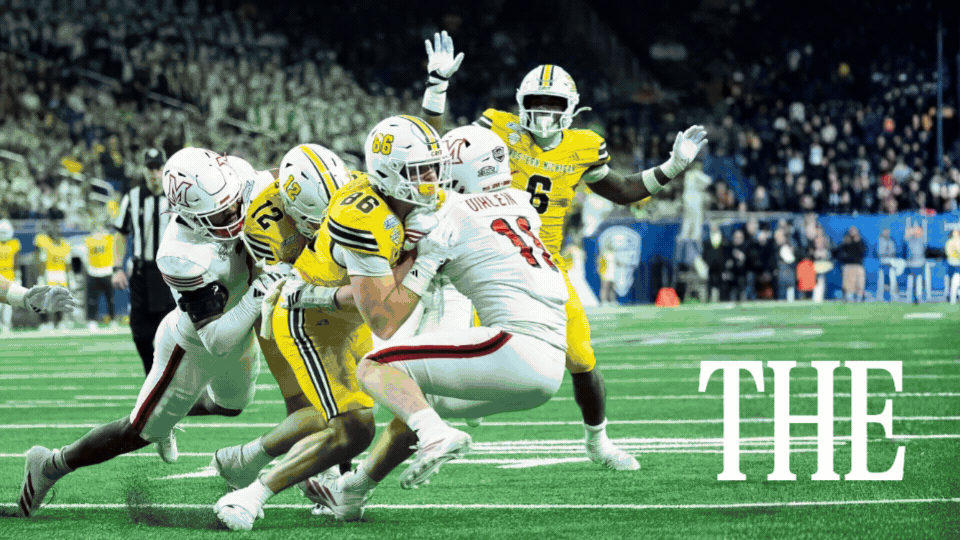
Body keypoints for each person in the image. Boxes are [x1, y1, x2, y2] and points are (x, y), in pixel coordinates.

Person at [423, 32, 706, 469]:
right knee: (468, 355)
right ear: (520, 102)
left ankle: (598, 442)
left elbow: (624, 189)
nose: (544, 111)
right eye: (537, 101)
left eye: (553, 103)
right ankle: (439, 422)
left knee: (582, 358)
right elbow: (435, 147)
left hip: (543, 264)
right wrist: (437, 87)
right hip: (484, 261)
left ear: (571, 109)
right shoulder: (498, 128)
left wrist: (672, 167)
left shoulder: (584, 146)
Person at [308, 124, 569, 521]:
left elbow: (383, 311)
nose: (433, 178)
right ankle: (353, 491)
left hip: (514, 346)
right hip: (550, 363)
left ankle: (435, 434)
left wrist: (420, 256)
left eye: (438, 169)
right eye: (427, 169)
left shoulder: (446, 216)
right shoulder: (522, 204)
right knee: (413, 398)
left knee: (376, 368)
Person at [213, 115, 449, 531]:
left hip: (344, 309)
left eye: (429, 170)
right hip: (308, 315)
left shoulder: (387, 191)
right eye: (419, 172)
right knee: (346, 424)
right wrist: (422, 264)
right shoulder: (310, 221)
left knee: (366, 415)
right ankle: (253, 492)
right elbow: (377, 311)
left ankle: (330, 482)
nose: (430, 180)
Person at [18, 148, 280, 518]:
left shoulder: (240, 178)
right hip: (195, 342)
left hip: (240, 326)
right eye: (221, 214)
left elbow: (285, 178)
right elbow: (216, 339)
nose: (236, 214)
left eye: (234, 202)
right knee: (140, 430)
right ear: (189, 215)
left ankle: (170, 412)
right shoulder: (180, 253)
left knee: (231, 406)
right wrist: (261, 291)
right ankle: (50, 464)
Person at [210, 144, 353, 492]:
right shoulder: (264, 223)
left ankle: (248, 461)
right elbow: (290, 288)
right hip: (277, 305)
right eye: (317, 220)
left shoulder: (349, 190)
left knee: (341, 396)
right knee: (310, 404)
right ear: (291, 206)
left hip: (320, 291)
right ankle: (316, 474)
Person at [112, 148, 177, 374]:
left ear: (165, 169)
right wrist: (117, 268)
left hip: (170, 274)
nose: (154, 173)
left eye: (158, 168)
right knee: (140, 333)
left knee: (170, 331)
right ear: (143, 170)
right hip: (141, 272)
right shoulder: (132, 197)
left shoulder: (176, 197)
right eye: (150, 168)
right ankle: (153, 375)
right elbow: (120, 234)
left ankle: (169, 378)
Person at [33, 221, 74, 330]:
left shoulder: (65, 244)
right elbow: (41, 260)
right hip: (49, 272)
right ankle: (45, 322)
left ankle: (59, 321)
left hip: (61, 274)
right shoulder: (44, 241)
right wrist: (41, 276)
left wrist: (71, 277)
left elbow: (68, 262)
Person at [82, 218, 119, 330]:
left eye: (101, 226)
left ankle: (113, 319)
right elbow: (84, 254)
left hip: (107, 271)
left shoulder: (110, 238)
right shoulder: (88, 240)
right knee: (92, 299)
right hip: (93, 272)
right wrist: (88, 267)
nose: (99, 228)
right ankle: (92, 320)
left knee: (110, 298)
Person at [0, 219, 22, 331]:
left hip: (10, 275)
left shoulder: (14, 243)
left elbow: (16, 261)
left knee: (8, 304)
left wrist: (18, 276)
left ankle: (6, 325)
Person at [838, 226, 867, 302]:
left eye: (854, 231)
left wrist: (858, 241)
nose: (853, 233)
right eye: (852, 231)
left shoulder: (860, 242)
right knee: (849, 285)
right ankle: (849, 299)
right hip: (849, 266)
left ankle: (860, 298)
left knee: (860, 284)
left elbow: (863, 252)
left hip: (858, 265)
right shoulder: (846, 241)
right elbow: (841, 252)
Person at [905, 224, 927, 303]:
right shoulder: (909, 240)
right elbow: (908, 253)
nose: (916, 231)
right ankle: (912, 297)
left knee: (920, 280)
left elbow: (923, 251)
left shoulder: (922, 240)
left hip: (920, 264)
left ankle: (920, 296)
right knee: (912, 280)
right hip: (911, 265)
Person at [876, 227, 898, 301]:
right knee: (884, 279)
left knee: (893, 279)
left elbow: (893, 252)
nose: (886, 233)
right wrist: (887, 253)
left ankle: (893, 294)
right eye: (884, 232)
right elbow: (880, 253)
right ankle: (885, 296)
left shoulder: (891, 241)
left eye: (887, 232)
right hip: (884, 263)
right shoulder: (880, 241)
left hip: (891, 263)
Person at [946, 229, 960, 304]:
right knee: (953, 282)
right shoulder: (950, 242)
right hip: (952, 264)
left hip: (958, 264)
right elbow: (949, 253)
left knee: (956, 282)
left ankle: (956, 296)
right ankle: (952, 298)